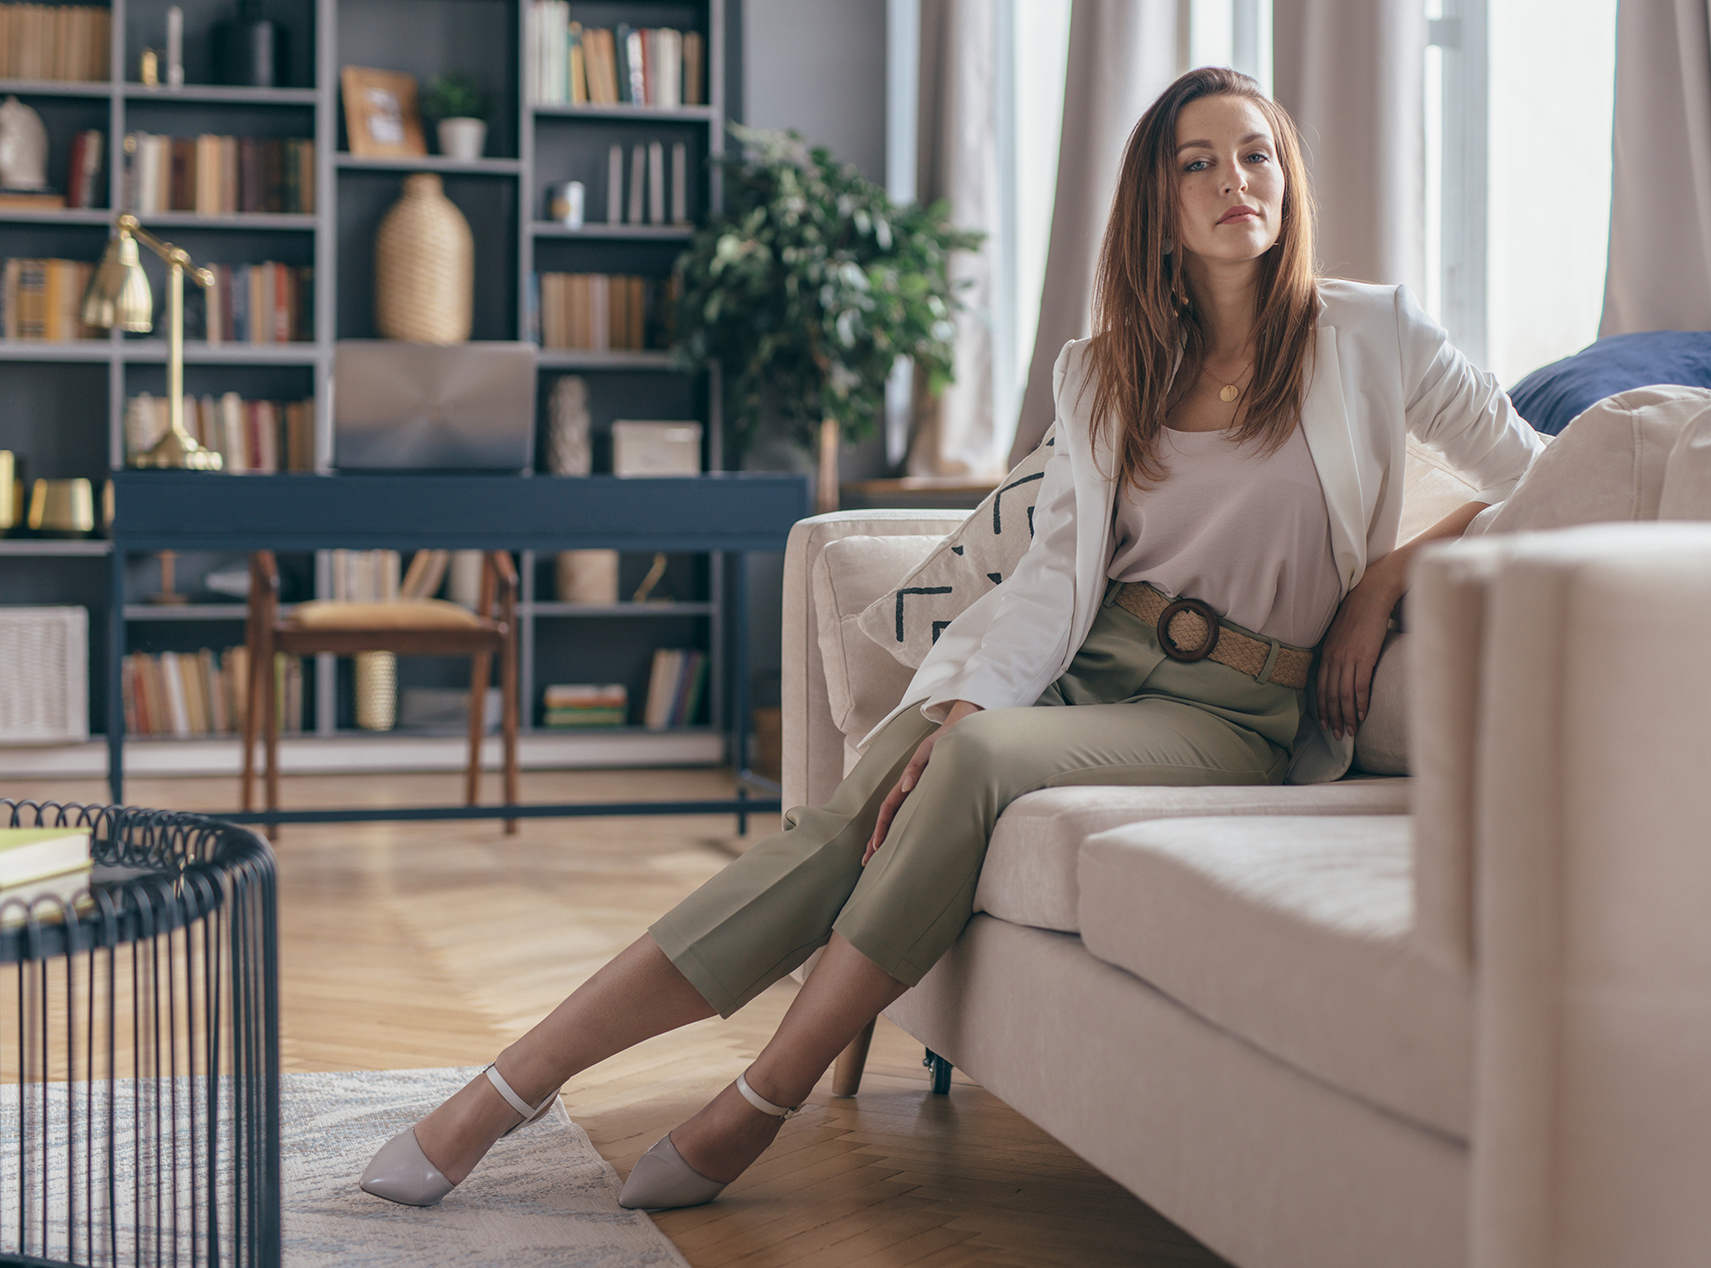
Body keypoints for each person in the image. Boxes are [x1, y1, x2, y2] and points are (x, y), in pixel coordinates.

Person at [359, 65, 1541, 1213]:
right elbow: (1046, 583)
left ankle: (758, 1098)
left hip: (1228, 712)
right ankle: (509, 1083)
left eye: (1256, 153)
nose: (1238, 178)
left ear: (1286, 177)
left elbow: (1545, 479)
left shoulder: (1375, 335)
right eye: (1200, 162)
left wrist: (1391, 569)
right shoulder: (1105, 373)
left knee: (966, 765)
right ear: (1159, 206)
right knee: (868, 798)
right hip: (1087, 664)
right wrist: (963, 702)